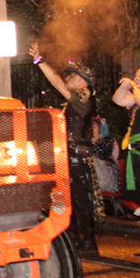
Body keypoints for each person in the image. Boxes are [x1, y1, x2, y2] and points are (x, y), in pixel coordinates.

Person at [29, 42, 105, 252]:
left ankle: (89, 240)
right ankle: (74, 238)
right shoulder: (78, 99)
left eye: (73, 75)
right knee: (66, 196)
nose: (69, 78)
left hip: (76, 156)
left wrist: (39, 61)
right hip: (67, 154)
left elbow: (57, 84)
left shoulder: (84, 94)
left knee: (80, 198)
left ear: (83, 80)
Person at [111, 67, 140, 257]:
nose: (137, 78)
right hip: (137, 155)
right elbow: (117, 99)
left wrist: (133, 85)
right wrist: (126, 86)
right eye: (136, 75)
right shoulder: (136, 96)